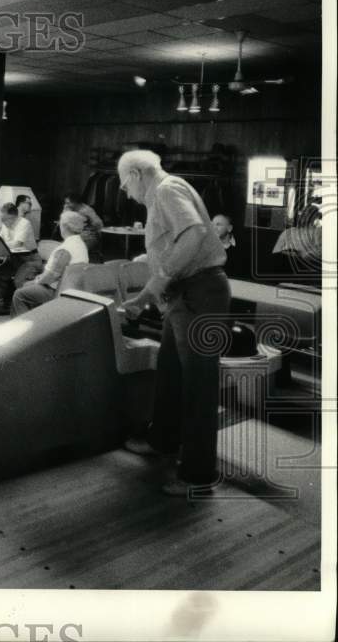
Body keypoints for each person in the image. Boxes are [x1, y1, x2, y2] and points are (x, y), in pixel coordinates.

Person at [118, 149, 230, 497]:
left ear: (137, 174)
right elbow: (175, 241)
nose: (125, 191)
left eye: (124, 184)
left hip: (199, 292)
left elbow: (194, 233)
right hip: (184, 295)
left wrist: (157, 280)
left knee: (198, 382)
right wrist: (151, 287)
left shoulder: (166, 189)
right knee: (170, 371)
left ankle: (198, 473)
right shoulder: (165, 193)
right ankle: (163, 440)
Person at [11, 210, 88, 316]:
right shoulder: (80, 244)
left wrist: (36, 281)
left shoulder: (65, 249)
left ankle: (20, 326)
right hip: (73, 288)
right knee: (31, 287)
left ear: (64, 227)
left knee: (20, 293)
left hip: (58, 290)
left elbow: (51, 277)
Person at [0, 202, 41, 308]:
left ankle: (25, 306)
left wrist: (0, 245)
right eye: (2, 218)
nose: (2, 221)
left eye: (5, 219)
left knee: (18, 280)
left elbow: (17, 243)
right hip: (14, 258)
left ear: (14, 217)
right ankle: (2, 302)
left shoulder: (24, 223)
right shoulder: (5, 223)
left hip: (29, 259)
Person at [212, 213, 243, 278]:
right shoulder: (207, 247)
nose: (213, 228)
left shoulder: (242, 248)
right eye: (212, 225)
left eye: (218, 224)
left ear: (229, 228)